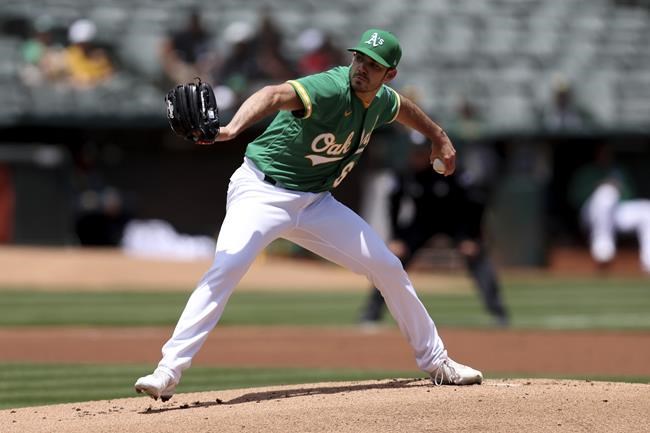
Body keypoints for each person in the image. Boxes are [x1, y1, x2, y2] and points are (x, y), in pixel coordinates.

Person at [134, 28, 483, 402]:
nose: (362, 68)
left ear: (389, 74)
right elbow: (272, 94)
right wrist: (233, 128)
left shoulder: (382, 100)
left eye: (373, 64)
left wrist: (439, 136)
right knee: (226, 267)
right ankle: (168, 370)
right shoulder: (330, 88)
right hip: (261, 192)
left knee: (387, 266)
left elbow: (402, 108)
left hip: (316, 203)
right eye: (359, 58)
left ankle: (438, 362)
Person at [358, 131, 510, 327]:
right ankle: (371, 313)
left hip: (456, 223)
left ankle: (498, 312)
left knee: (477, 257)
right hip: (422, 223)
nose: (416, 157)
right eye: (414, 153)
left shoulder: (453, 172)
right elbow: (393, 205)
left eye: (421, 153)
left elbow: (476, 204)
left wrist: (471, 237)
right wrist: (396, 238)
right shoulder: (406, 175)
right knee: (392, 260)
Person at [568, 143, 650, 273]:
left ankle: (648, 261)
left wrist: (618, 189)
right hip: (590, 213)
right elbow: (575, 198)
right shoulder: (587, 172)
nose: (606, 156)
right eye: (603, 152)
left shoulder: (619, 171)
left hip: (615, 212)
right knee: (605, 193)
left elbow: (630, 195)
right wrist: (598, 186)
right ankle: (603, 251)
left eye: (609, 153)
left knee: (647, 209)